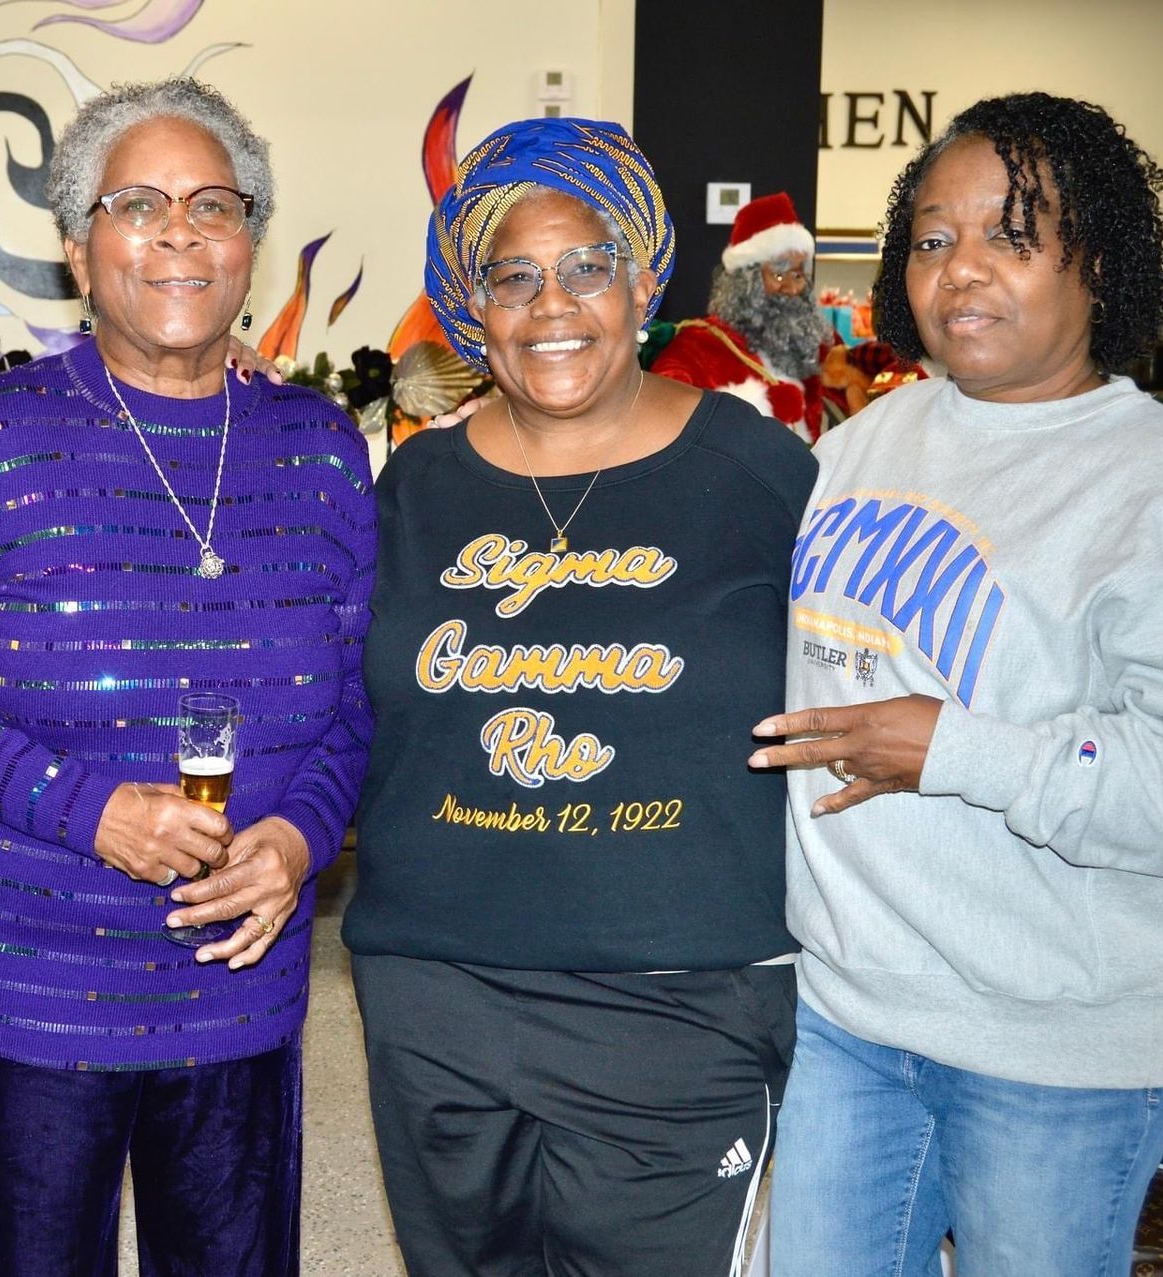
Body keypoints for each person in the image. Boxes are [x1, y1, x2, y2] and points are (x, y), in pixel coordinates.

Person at [751, 93, 1163, 1276]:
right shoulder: (861, 444)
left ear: (1101, 260)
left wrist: (956, 748)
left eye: (1012, 233)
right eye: (933, 239)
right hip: (849, 1009)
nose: (961, 270)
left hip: (1056, 1049)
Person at [0, 77, 374, 1277]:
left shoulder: (322, 448)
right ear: (80, 252)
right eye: (137, 203)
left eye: (214, 203)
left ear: (251, 242)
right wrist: (94, 812)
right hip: (21, 978)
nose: (180, 229)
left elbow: (353, 701)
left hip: (237, 976)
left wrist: (297, 840)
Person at [343, 117, 814, 1276]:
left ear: (643, 279)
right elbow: (361, 709)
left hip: (680, 994)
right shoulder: (418, 480)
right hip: (435, 988)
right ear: (473, 302)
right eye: (515, 275)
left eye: (586, 267)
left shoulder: (761, 472)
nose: (552, 304)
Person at [653, 192, 830, 441]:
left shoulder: (805, 344)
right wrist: (759, 407)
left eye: (798, 276)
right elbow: (663, 411)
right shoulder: (699, 343)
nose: (791, 289)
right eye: (779, 275)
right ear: (745, 282)